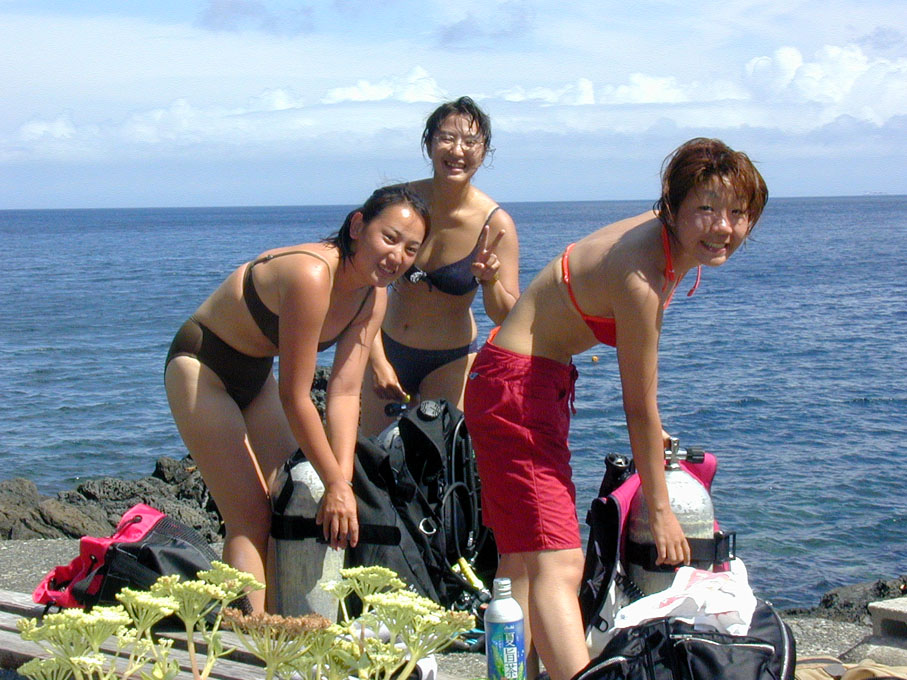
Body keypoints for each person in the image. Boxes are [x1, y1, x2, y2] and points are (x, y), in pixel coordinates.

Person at [463, 138, 768, 680]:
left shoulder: (666, 245)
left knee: (522, 564)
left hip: (524, 382)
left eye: (738, 213)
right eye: (706, 209)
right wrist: (661, 511)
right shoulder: (642, 275)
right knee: (559, 562)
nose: (723, 227)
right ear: (672, 206)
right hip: (517, 391)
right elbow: (638, 407)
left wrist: (655, 433)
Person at [164, 186, 429, 613]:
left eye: (411, 249)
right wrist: (336, 484)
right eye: (390, 238)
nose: (397, 256)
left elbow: (344, 392)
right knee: (250, 516)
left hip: (255, 377)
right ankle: (247, 636)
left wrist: (341, 482)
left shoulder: (372, 295)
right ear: (358, 226)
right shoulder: (312, 274)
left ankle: (282, 623)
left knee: (293, 493)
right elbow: (294, 394)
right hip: (202, 368)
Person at [359, 96, 520, 436]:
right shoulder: (397, 204)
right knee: (371, 457)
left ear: (484, 151)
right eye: (446, 138)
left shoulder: (496, 224)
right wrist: (377, 360)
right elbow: (358, 283)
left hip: (451, 361)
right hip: (385, 346)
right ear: (429, 143)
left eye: (470, 142)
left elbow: (507, 316)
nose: (457, 150)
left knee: (439, 463)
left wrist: (490, 281)